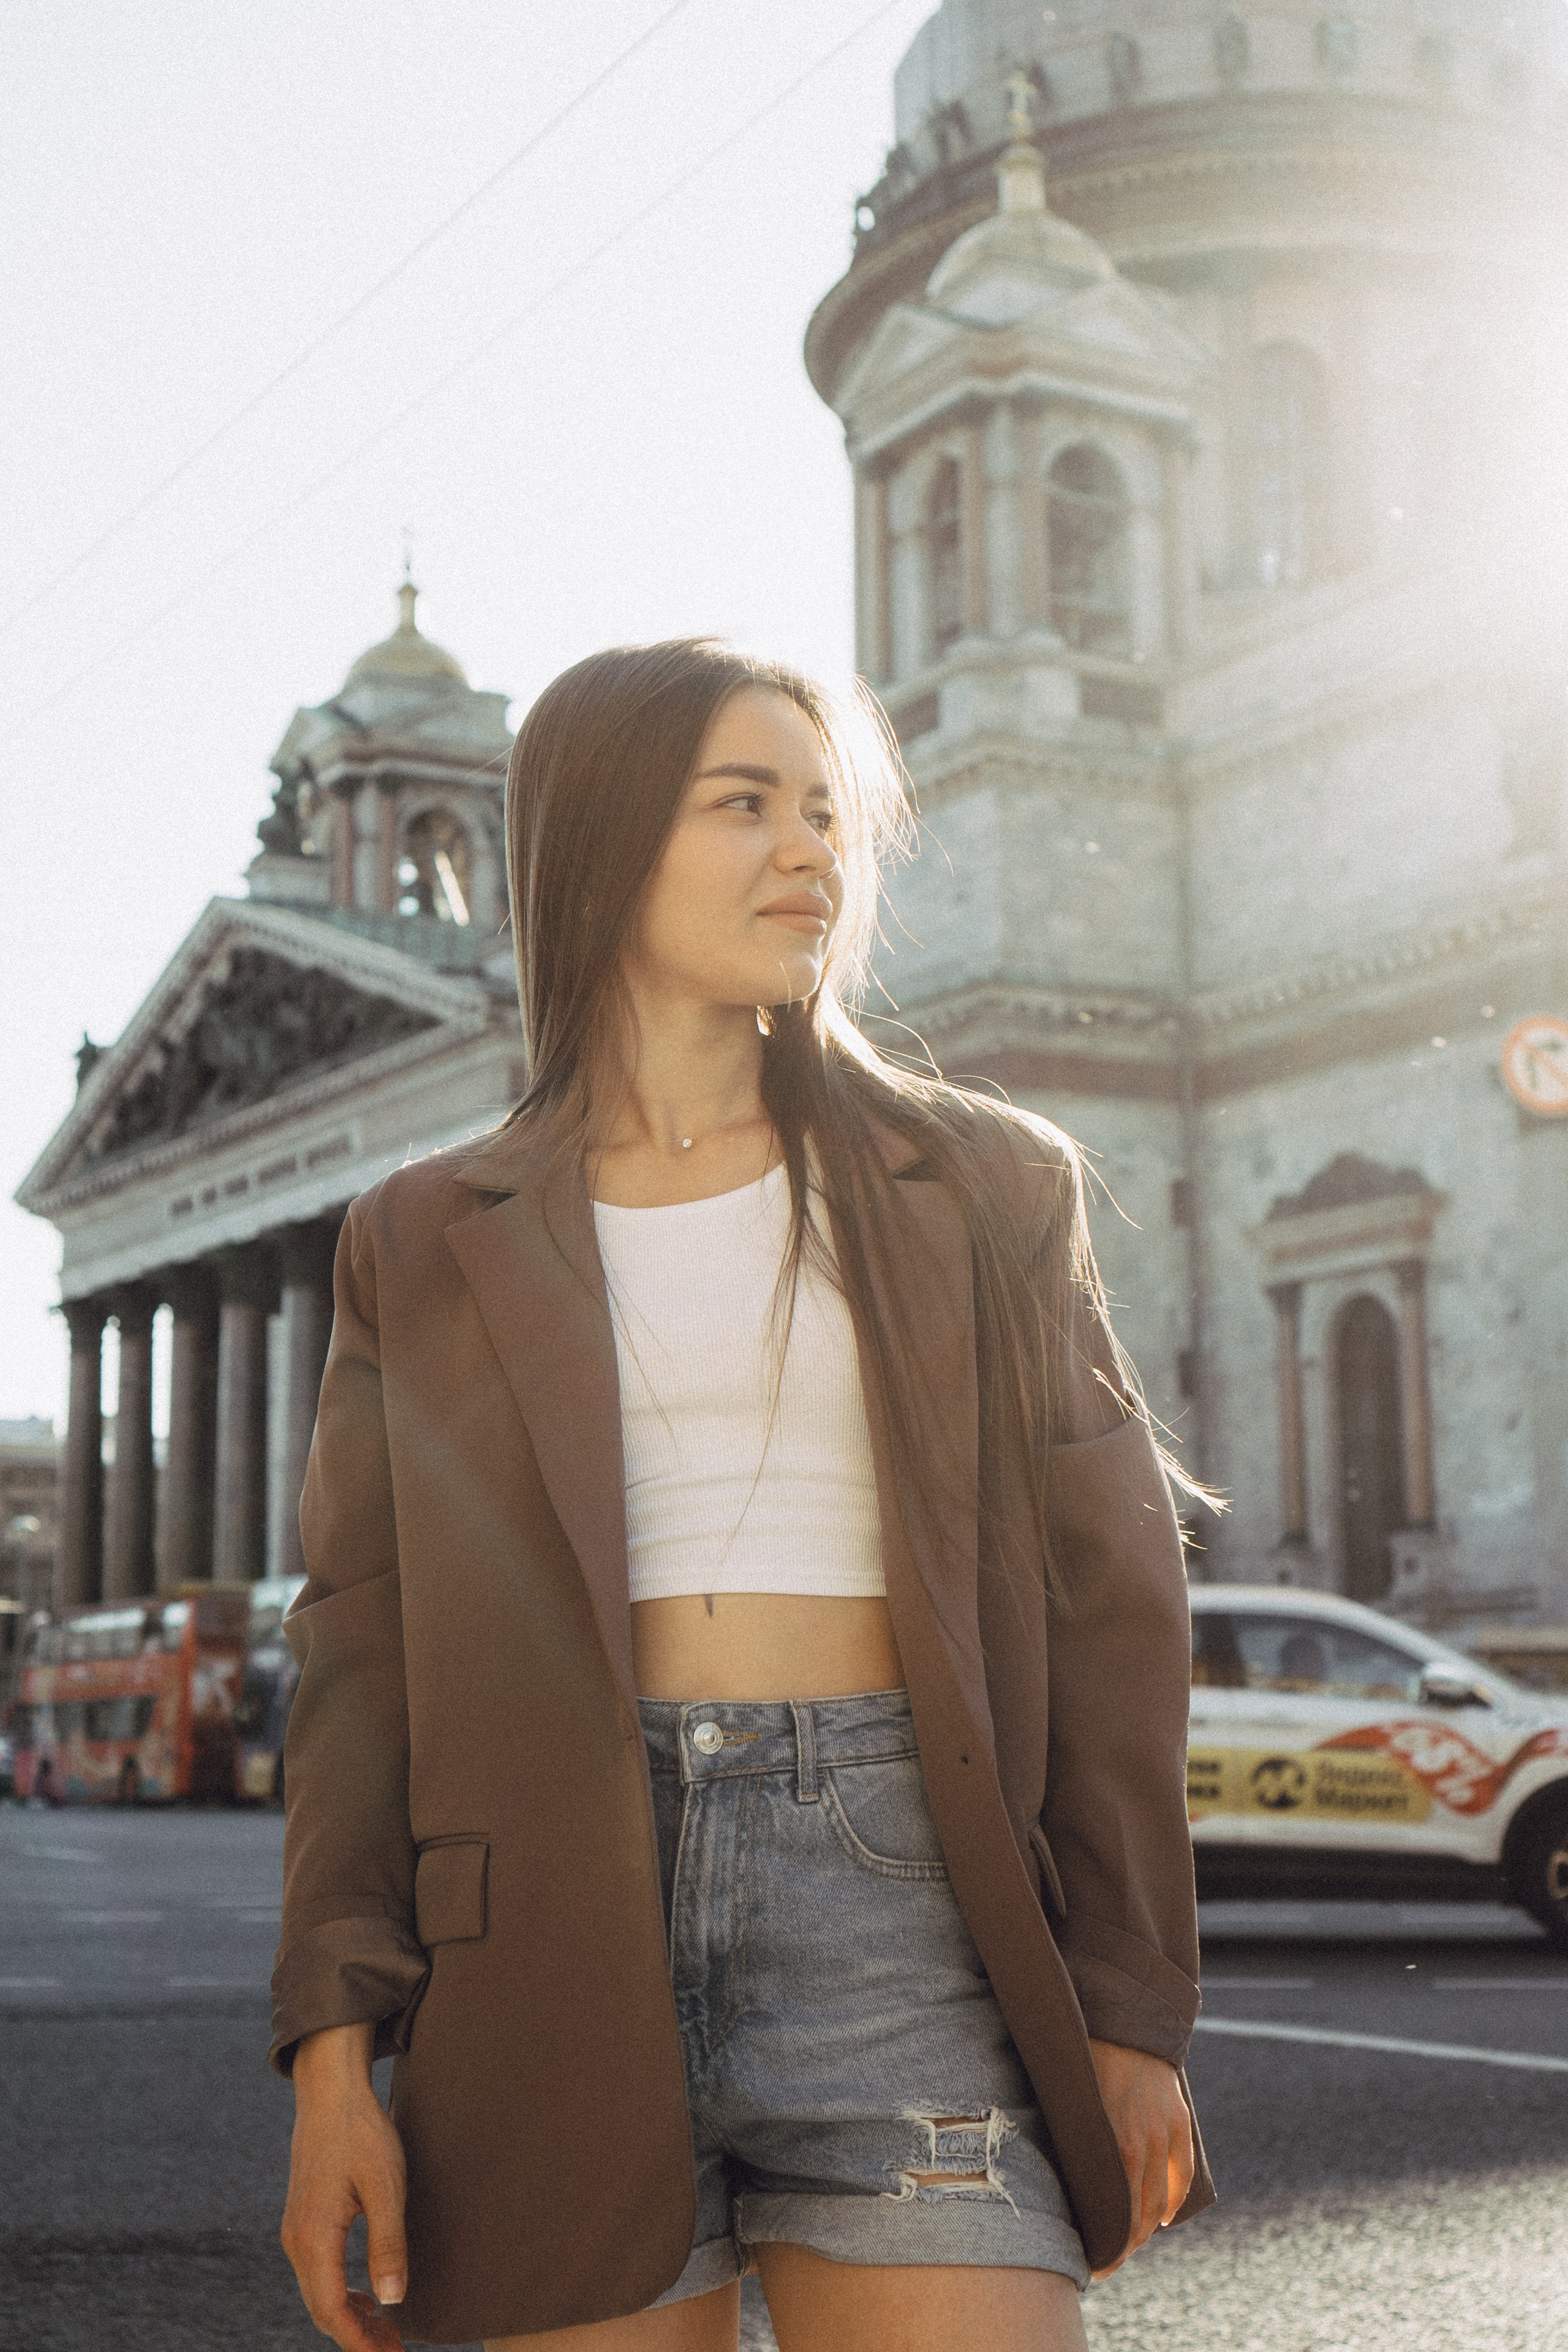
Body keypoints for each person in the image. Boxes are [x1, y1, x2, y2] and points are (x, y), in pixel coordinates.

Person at [273, 640, 1215, 2352]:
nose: (814, 854)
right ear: (604, 843)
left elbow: (1117, 1604)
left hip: (901, 1909)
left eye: (829, 813)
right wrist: (335, 2066)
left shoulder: (986, 1186)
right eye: (746, 805)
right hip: (548, 1941)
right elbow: (356, 1664)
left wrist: (1135, 2010)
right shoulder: (420, 1239)